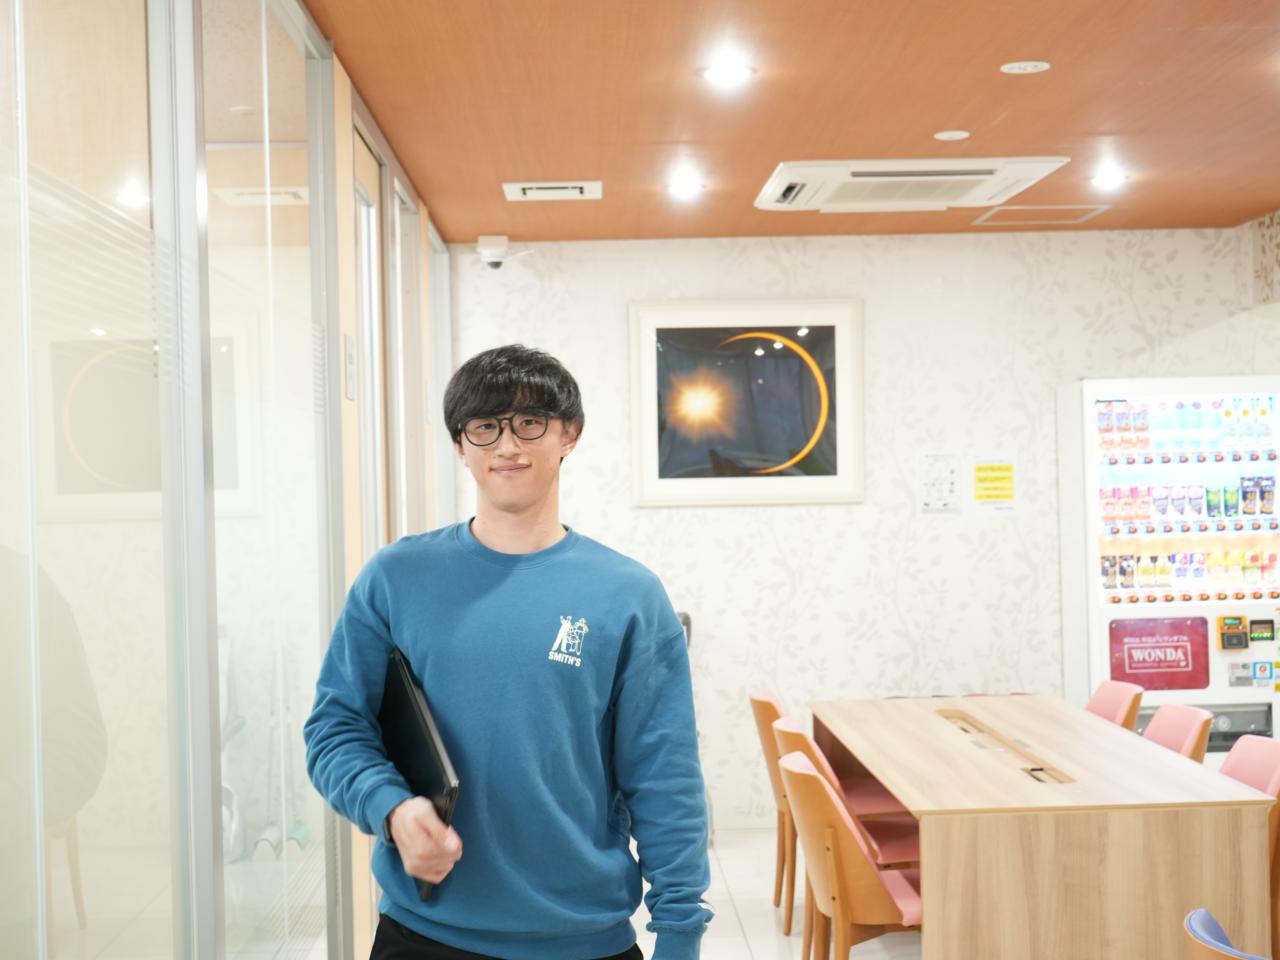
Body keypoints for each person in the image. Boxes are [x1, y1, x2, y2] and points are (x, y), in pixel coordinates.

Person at [304, 344, 711, 960]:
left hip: (583, 939)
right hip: (423, 934)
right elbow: (335, 729)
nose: (508, 446)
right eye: (485, 427)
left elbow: (664, 776)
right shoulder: (396, 577)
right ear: (460, 444)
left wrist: (680, 934)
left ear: (569, 434)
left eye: (530, 423)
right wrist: (392, 809)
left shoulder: (629, 595)